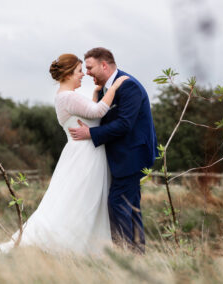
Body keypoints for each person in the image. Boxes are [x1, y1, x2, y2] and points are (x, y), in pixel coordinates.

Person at [0, 53, 128, 255]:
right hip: (86, 156)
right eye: (78, 71)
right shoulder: (67, 96)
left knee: (83, 201)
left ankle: (84, 247)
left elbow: (89, 113)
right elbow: (99, 112)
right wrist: (115, 86)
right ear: (67, 74)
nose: (83, 74)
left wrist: (95, 94)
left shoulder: (65, 97)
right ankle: (65, 247)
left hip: (84, 153)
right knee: (80, 201)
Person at [68, 48, 158, 253]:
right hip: (120, 157)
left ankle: (125, 255)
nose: (87, 72)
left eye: (89, 68)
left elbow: (124, 124)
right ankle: (136, 254)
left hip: (132, 156)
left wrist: (90, 134)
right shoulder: (103, 88)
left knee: (118, 203)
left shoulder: (129, 86)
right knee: (131, 206)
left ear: (104, 65)